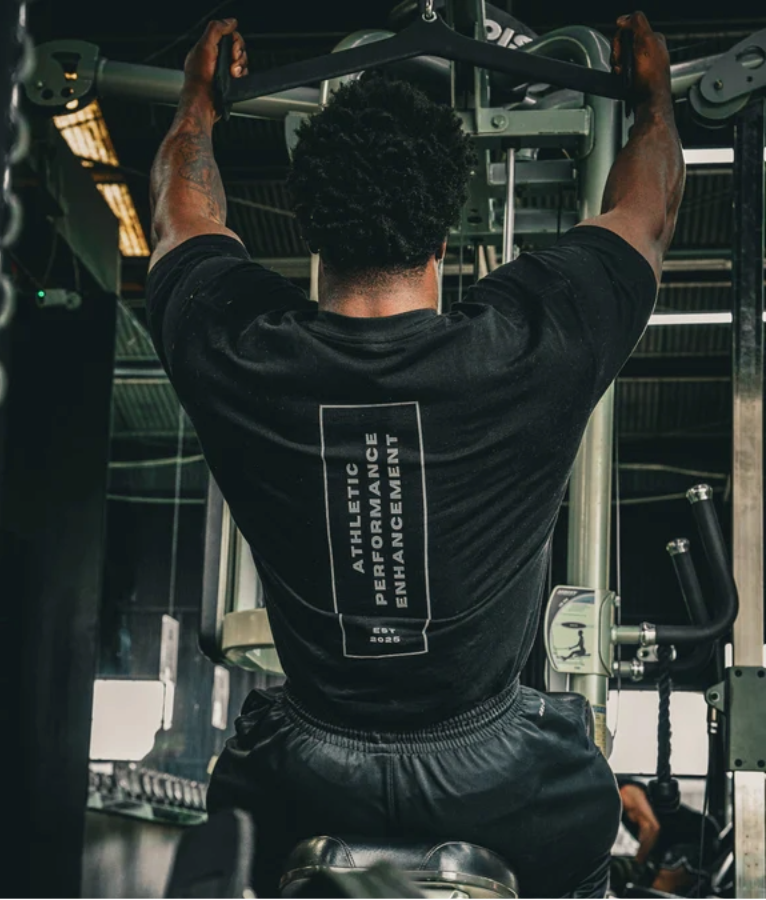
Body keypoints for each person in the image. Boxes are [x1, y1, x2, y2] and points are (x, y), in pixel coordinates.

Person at [145, 10, 685, 897]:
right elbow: (648, 213)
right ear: (442, 237)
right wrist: (653, 101)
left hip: (301, 772)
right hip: (504, 780)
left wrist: (198, 102)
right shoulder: (535, 345)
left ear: (312, 232)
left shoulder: (230, 345)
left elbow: (181, 213)